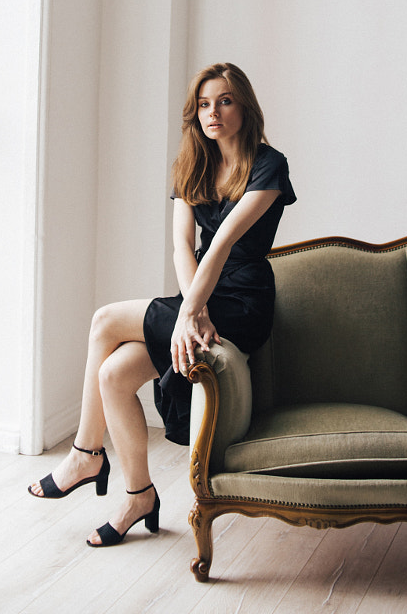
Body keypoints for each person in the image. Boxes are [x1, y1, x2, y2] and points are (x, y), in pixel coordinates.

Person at [28, 62, 295, 549]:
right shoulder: (192, 164)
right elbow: (183, 248)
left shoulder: (269, 164)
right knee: (113, 375)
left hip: (245, 301)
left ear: (245, 107)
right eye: (204, 103)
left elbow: (223, 245)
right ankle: (139, 495)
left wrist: (191, 314)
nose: (213, 112)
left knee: (105, 320)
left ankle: (87, 453)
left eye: (225, 101)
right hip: (201, 291)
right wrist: (194, 307)